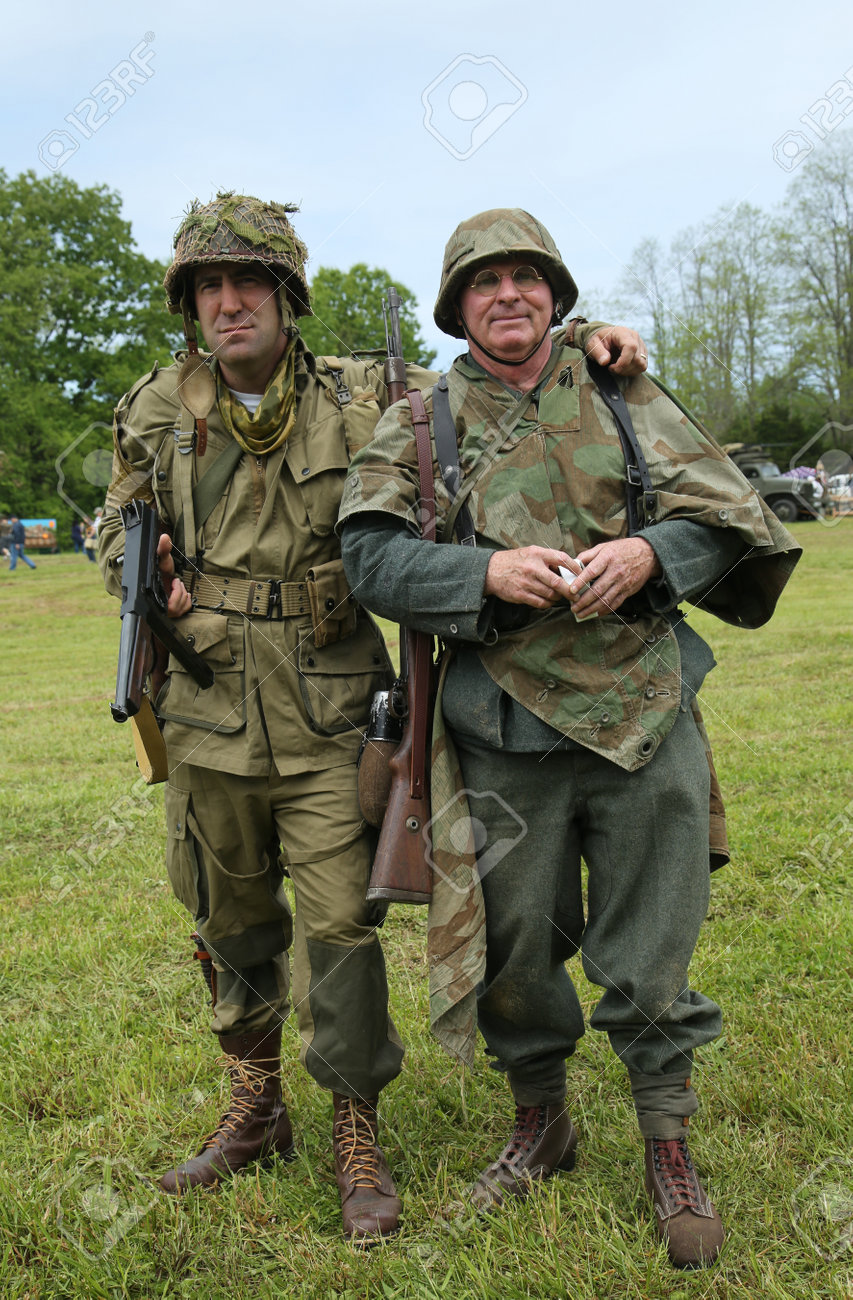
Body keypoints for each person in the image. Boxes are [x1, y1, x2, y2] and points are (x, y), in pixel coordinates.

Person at [97, 194, 645, 1242]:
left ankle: (355, 1121)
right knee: (228, 915)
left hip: (329, 708)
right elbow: (117, 530)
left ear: (287, 295)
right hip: (205, 700)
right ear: (190, 303)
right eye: (208, 287)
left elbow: (490, 384)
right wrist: (142, 573)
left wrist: (582, 338)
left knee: (341, 926)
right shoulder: (155, 405)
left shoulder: (369, 393)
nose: (228, 303)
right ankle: (255, 1107)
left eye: (247, 282)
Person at [338, 208, 802, 1268]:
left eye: (526, 277)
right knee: (514, 948)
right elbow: (366, 555)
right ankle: (540, 1117)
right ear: (457, 305)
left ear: (555, 294)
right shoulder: (418, 423)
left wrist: (650, 551)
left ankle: (667, 1139)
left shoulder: (622, 387)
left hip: (645, 716)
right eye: (484, 281)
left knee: (654, 942)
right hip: (501, 730)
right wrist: (476, 575)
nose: (508, 295)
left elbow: (728, 514)